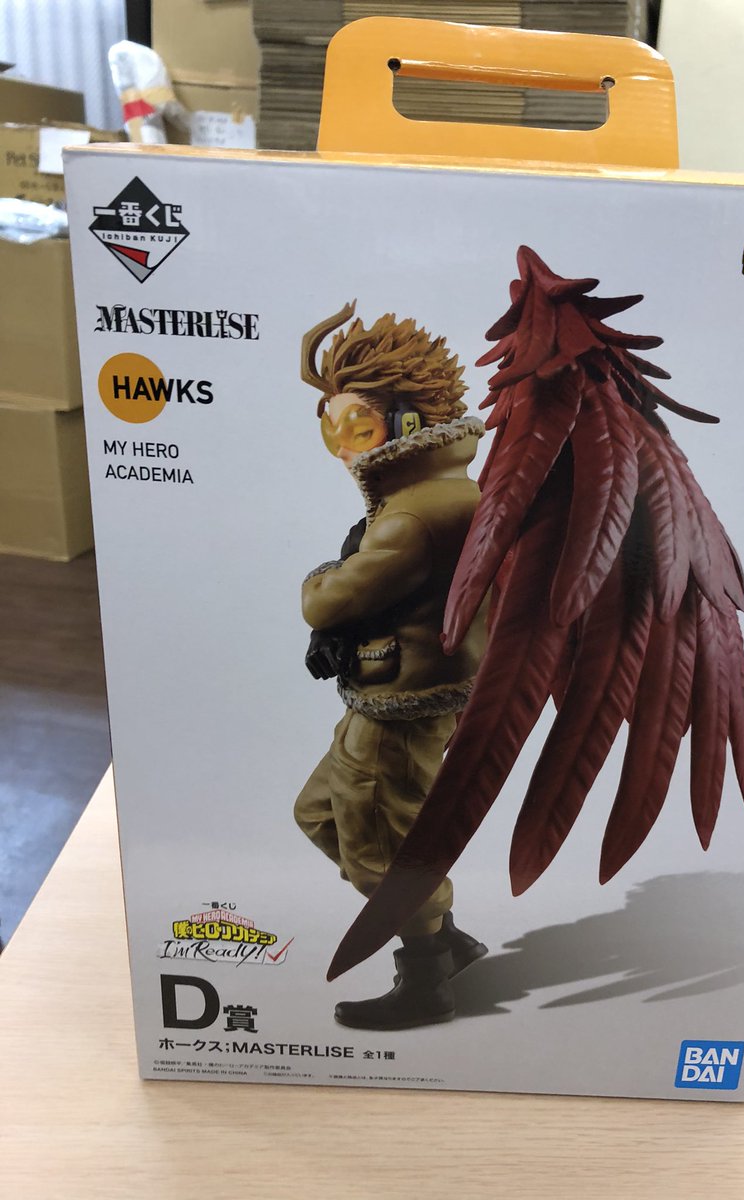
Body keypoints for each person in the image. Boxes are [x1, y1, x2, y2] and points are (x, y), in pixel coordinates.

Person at [295, 301, 488, 1030]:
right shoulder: (422, 493)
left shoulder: (412, 514)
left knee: (381, 850)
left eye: (360, 427)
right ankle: (447, 936)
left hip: (403, 703)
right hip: (388, 688)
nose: (343, 448)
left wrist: (320, 575)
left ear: (408, 423)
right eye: (332, 429)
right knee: (321, 814)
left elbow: (326, 601)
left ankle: (427, 977)